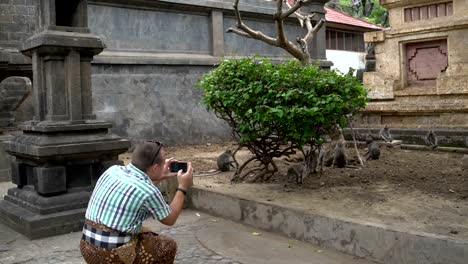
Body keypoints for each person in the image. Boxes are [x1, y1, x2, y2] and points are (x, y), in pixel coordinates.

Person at [79, 140, 193, 264]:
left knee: (146, 231)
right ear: (155, 167)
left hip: (87, 245)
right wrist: (183, 187)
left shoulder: (113, 170)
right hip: (109, 254)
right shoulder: (148, 191)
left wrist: (159, 176)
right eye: (163, 162)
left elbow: (140, 191)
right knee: (167, 246)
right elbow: (170, 219)